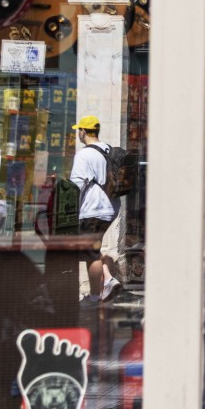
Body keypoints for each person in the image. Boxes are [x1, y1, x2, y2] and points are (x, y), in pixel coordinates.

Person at [70, 115, 125, 302]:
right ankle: (108, 278)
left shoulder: (84, 154)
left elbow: (76, 185)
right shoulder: (108, 149)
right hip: (111, 208)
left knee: (90, 253)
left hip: (94, 210)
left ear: (83, 132)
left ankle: (94, 297)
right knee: (92, 246)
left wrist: (68, 207)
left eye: (79, 130)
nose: (78, 133)